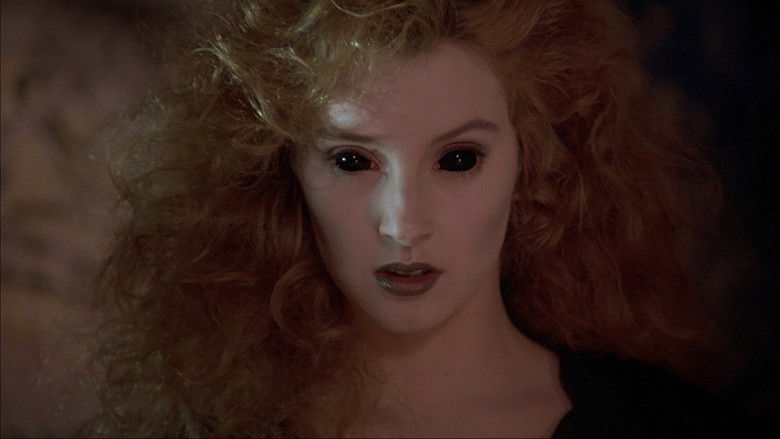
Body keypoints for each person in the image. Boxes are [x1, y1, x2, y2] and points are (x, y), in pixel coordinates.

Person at [92, 0, 753, 437]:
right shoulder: (206, 429)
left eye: (459, 159)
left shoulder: (670, 427)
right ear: (280, 169)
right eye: (352, 161)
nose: (403, 226)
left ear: (535, 161)